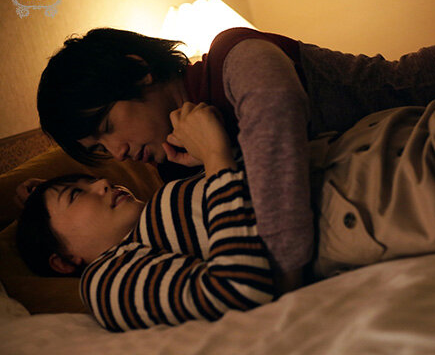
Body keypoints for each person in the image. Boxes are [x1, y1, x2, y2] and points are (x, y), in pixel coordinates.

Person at [35, 13, 435, 291]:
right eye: (99, 149)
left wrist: (282, 291)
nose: (117, 153)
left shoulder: (237, 58)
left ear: (139, 72)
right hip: (431, 164)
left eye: (107, 127)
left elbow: (281, 228)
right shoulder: (175, 167)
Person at [17, 104, 275, 332]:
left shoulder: (148, 231)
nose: (104, 183)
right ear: (63, 261)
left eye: (91, 181)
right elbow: (237, 291)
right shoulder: (105, 281)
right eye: (75, 195)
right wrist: (215, 156)